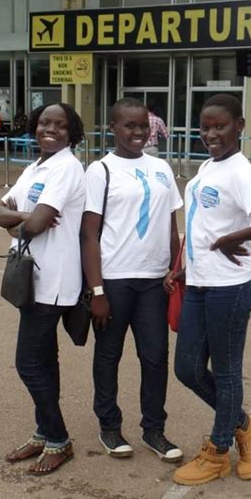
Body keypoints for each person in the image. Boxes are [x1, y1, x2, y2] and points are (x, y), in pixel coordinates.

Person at [165, 93, 251, 486]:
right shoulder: (208, 167)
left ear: (239, 125)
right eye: (205, 127)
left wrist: (233, 238)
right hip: (202, 283)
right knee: (187, 368)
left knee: (225, 373)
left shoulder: (240, 171)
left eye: (220, 126)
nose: (211, 134)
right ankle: (247, 428)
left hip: (231, 288)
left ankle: (219, 451)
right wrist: (187, 268)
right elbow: (204, 225)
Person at [81, 97, 184, 463]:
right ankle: (109, 425)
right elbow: (89, 234)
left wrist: (175, 267)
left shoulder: (161, 169)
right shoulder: (100, 171)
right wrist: (97, 290)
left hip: (155, 281)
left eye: (143, 125)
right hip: (114, 280)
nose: (138, 132)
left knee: (155, 356)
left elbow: (171, 226)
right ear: (113, 128)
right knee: (108, 356)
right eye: (129, 126)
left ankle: (154, 429)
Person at [0, 102, 85, 476]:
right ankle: (44, 432)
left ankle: (59, 438)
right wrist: (23, 220)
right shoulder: (36, 168)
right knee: (44, 360)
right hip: (33, 279)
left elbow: (36, 224)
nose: (51, 129)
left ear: (71, 132)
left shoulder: (67, 167)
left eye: (60, 125)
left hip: (55, 282)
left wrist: (21, 222)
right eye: (45, 122)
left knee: (29, 364)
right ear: (34, 126)